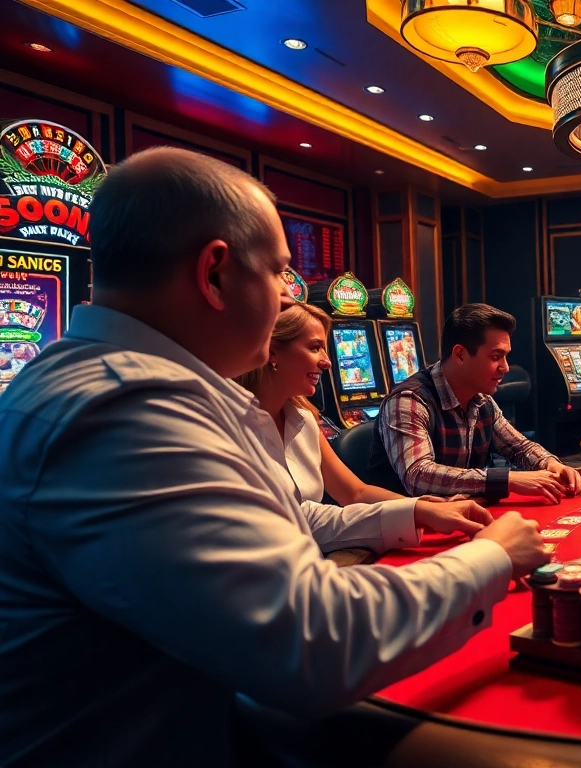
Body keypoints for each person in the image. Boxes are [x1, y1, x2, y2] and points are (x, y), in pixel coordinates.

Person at [0, 147, 548, 766]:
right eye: (280, 276)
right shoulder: (127, 412)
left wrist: (413, 513)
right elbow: (317, 641)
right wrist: (491, 558)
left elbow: (283, 513)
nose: (288, 299)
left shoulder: (127, 385)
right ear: (214, 273)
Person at [235, 302, 493, 538]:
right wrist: (415, 512)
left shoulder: (304, 419)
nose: (327, 361)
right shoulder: (232, 427)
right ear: (272, 353)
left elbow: (355, 492)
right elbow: (291, 522)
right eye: (315, 347)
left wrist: (422, 505)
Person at [375, 303, 581, 502]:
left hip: (457, 517)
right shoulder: (409, 400)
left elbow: (519, 448)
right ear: (460, 355)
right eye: (496, 356)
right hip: (404, 533)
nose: (505, 367)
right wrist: (507, 479)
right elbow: (418, 475)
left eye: (505, 357)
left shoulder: (481, 400)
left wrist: (549, 463)